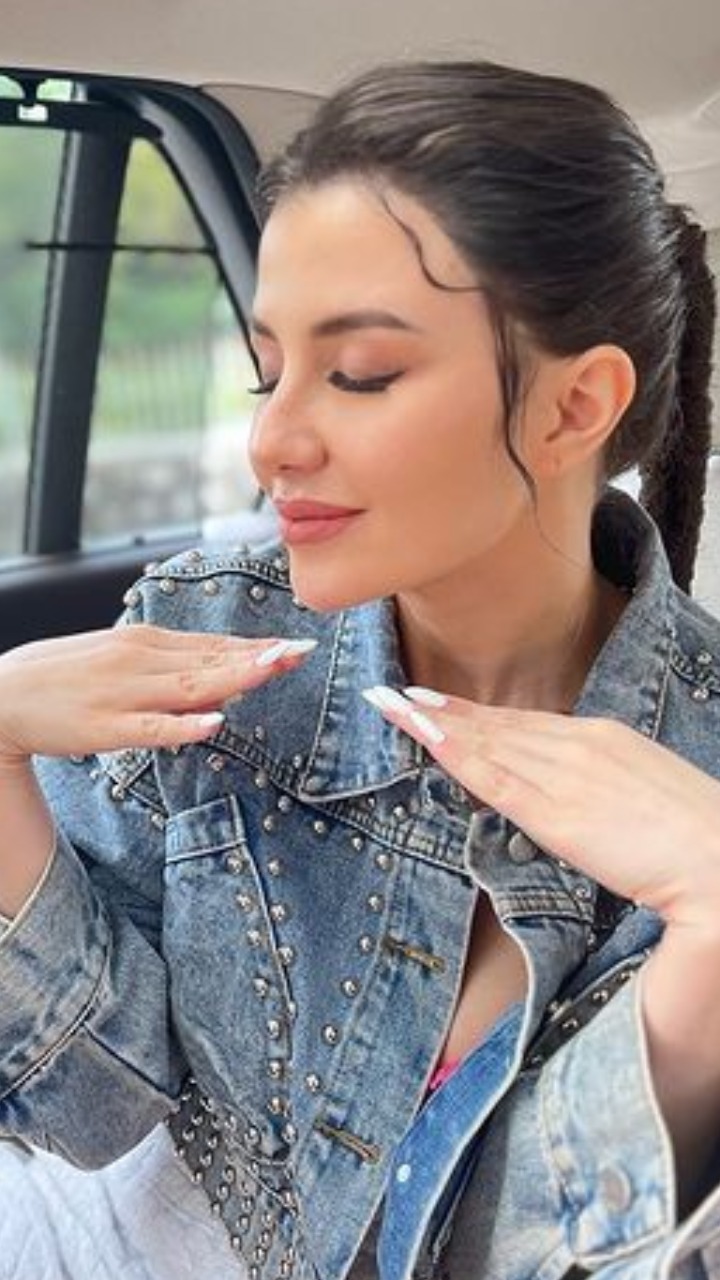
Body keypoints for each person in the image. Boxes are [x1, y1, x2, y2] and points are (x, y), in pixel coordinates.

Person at [0, 56, 719, 1280]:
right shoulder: (203, 634)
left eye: (360, 374)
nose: (271, 439)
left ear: (572, 406)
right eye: (266, 369)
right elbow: (92, 1108)